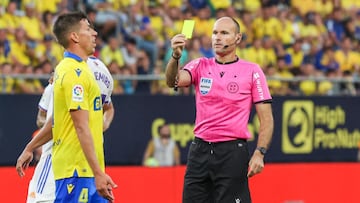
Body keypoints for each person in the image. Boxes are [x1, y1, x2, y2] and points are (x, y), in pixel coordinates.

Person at [165, 17, 274, 203]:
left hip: (232, 152)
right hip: (199, 150)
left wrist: (260, 152)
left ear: (237, 38)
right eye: (215, 33)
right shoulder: (200, 65)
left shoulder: (252, 71)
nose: (217, 37)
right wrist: (175, 56)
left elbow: (267, 118)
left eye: (224, 33)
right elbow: (171, 81)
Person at [21, 11, 115, 202]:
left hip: (87, 169)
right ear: (74, 36)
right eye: (88, 29)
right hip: (76, 171)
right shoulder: (74, 72)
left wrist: (29, 148)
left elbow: (58, 121)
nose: (94, 33)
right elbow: (79, 126)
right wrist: (98, 173)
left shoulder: (84, 71)